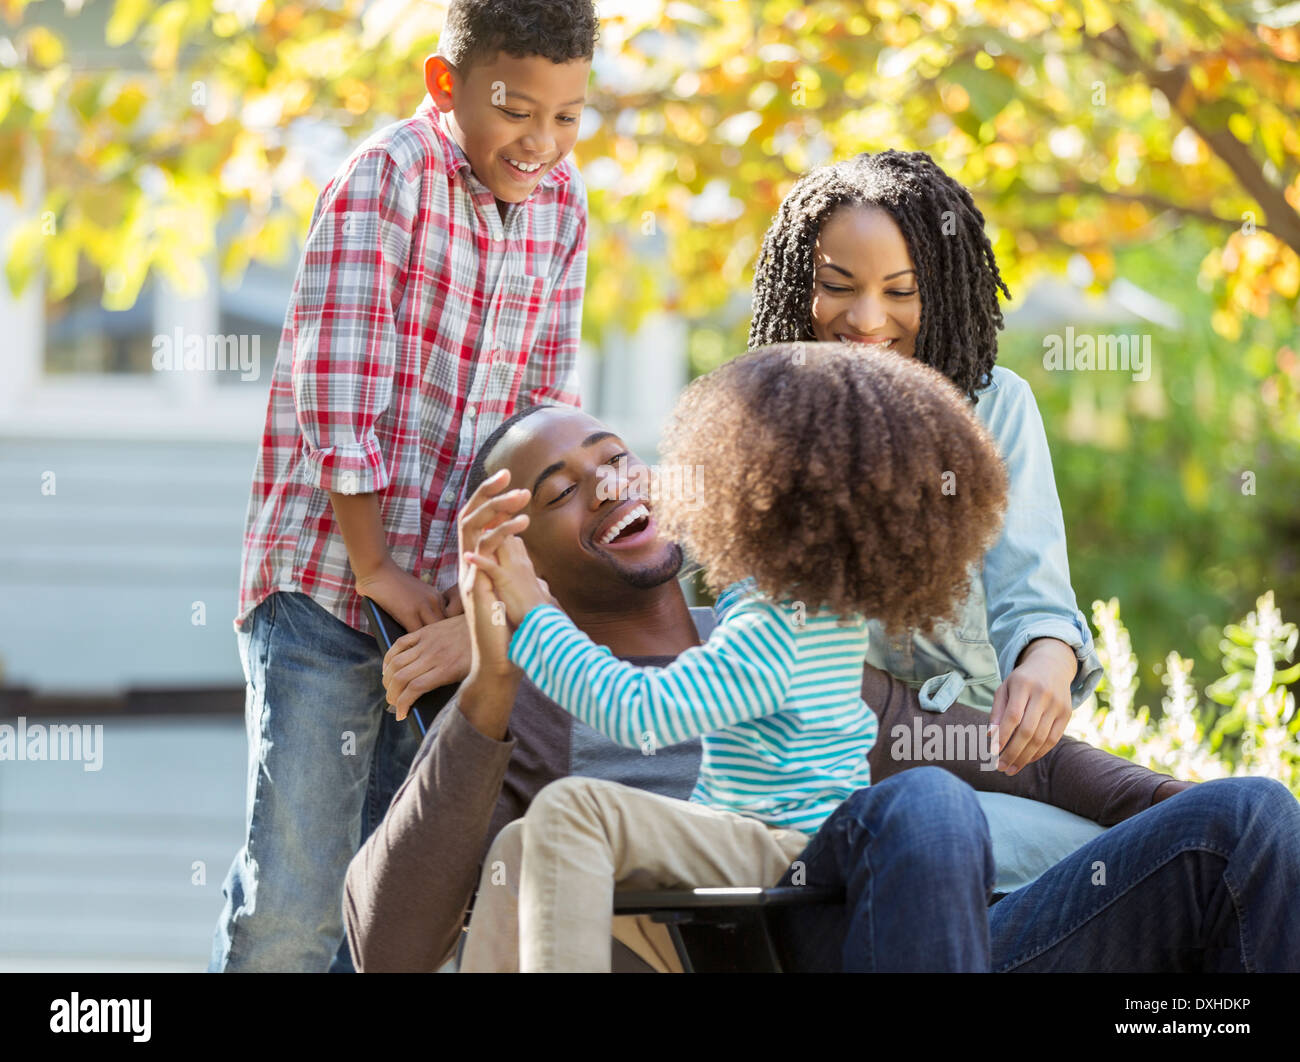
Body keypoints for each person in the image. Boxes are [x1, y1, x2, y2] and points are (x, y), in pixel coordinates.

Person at [344, 402, 1208, 973]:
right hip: (699, 947)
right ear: (519, 558)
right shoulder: (523, 709)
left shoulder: (772, 642)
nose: (606, 483)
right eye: (562, 490)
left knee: (1238, 822)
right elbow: (390, 944)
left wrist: (1174, 801)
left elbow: (1008, 754)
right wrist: (492, 681)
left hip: (857, 934)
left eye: (615, 459)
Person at [209, 0, 598, 972]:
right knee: (293, 908)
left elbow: (542, 425)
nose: (541, 141)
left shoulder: (562, 210)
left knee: (391, 911)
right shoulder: (389, 178)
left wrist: (483, 615)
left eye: (567, 116)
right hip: (329, 592)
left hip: (440, 616)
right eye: (518, 109)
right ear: (444, 84)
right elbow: (335, 386)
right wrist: (375, 561)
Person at [459, 343, 1011, 971]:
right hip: (753, 847)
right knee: (520, 846)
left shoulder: (780, 623)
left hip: (781, 853)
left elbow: (638, 711)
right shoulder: (805, 606)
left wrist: (533, 615)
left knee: (568, 809)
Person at [750, 149, 1100, 776]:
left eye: (901, 292)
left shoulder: (996, 408)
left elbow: (1035, 599)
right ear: (797, 285)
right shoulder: (763, 420)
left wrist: (1049, 657)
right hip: (825, 759)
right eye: (836, 287)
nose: (865, 319)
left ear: (939, 292)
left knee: (1178, 821)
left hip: (980, 748)